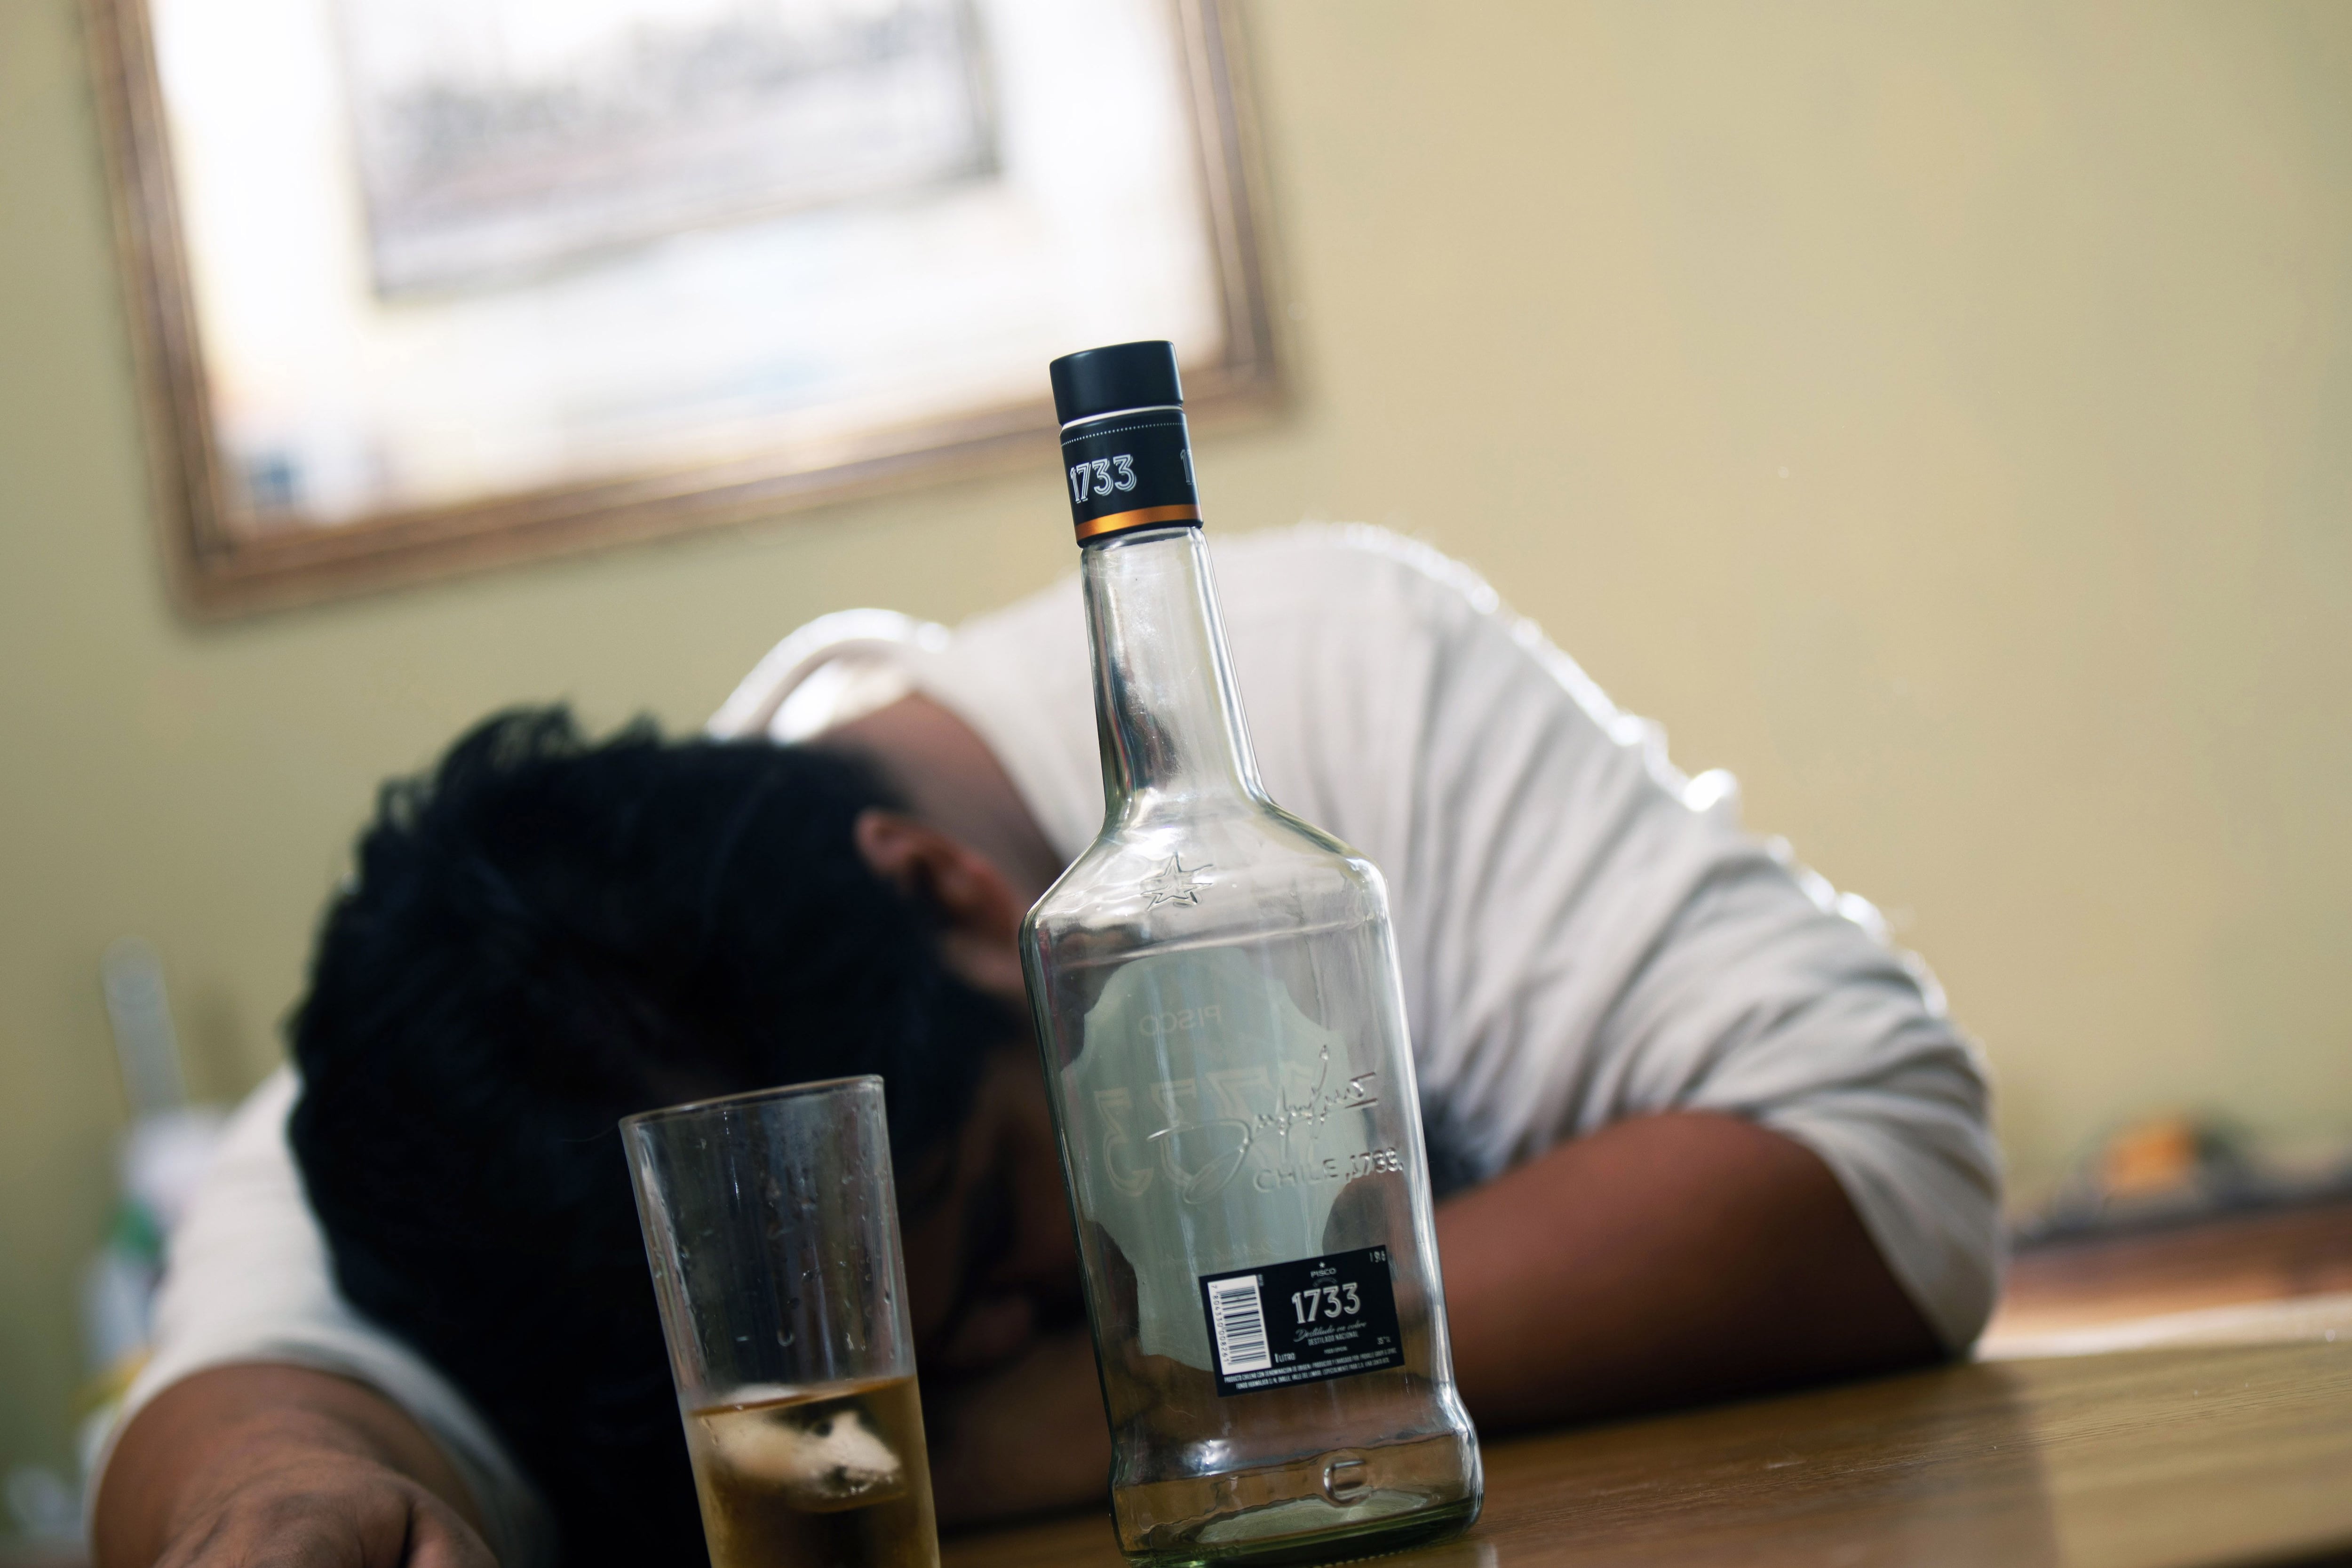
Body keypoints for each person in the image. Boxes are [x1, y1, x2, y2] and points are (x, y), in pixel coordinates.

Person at [92, 525, 2000, 1568]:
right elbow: (260, 1410)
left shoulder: (1323, 679)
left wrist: (1048, 1424)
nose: (1002, 1343)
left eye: (998, 1231)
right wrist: (274, 1510)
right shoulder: (478, 1094)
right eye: (925, 1362)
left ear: (947, 889)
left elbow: (1877, 1157)